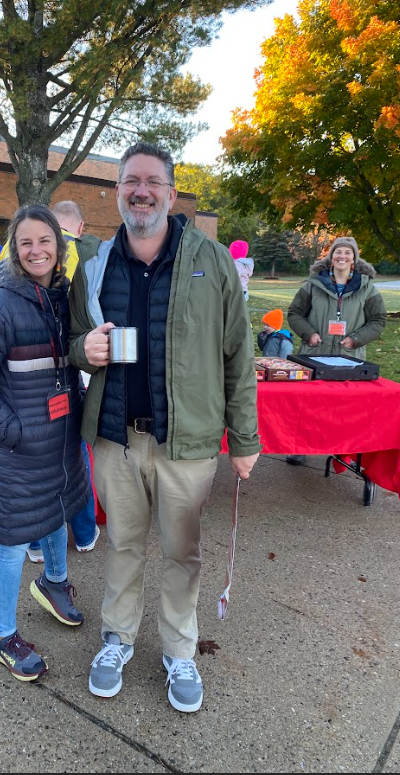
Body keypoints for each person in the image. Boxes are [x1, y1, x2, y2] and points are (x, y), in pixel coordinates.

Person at [68, 142, 260, 713]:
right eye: (131, 181)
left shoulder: (212, 259)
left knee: (182, 551)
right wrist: (86, 348)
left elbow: (238, 355)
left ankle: (179, 649)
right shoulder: (97, 264)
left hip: (187, 442)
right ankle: (118, 638)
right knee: (124, 545)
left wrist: (245, 440)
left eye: (153, 181)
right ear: (118, 192)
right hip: (115, 439)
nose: (141, 191)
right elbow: (73, 341)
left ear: (172, 194)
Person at [0, 205, 89, 682]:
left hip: (61, 445)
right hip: (19, 452)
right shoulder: (0, 305)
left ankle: (54, 583)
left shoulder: (62, 298)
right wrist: (13, 432)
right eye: (26, 242)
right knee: (12, 545)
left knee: (55, 514)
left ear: (59, 246)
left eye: (45, 241)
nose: (37, 250)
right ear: (15, 249)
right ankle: (4, 634)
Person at [26, 199, 100, 563]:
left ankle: (41, 543)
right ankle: (81, 533)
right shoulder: (86, 258)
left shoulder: (18, 266)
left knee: (44, 463)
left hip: (31, 383)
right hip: (61, 378)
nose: (38, 252)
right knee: (72, 458)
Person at [286, 235, 387, 465]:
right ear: (331, 257)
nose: (342, 256)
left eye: (347, 252)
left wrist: (356, 339)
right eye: (338, 252)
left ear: (354, 259)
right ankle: (300, 447)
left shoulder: (366, 288)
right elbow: (294, 314)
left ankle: (344, 451)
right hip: (314, 355)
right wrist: (309, 333)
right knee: (309, 405)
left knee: (346, 409)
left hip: (349, 359)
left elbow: (378, 320)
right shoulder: (313, 284)